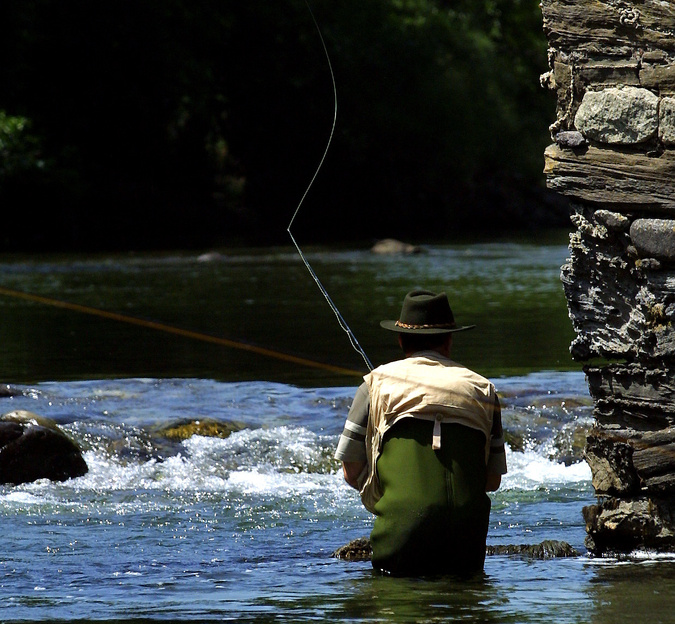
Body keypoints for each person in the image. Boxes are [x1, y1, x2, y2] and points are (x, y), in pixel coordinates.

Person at [335, 289, 507, 577]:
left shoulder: (373, 385)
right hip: (468, 548)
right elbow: (492, 480)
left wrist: (385, 494)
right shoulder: (484, 389)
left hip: (399, 544)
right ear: (449, 340)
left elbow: (351, 472)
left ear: (400, 339)